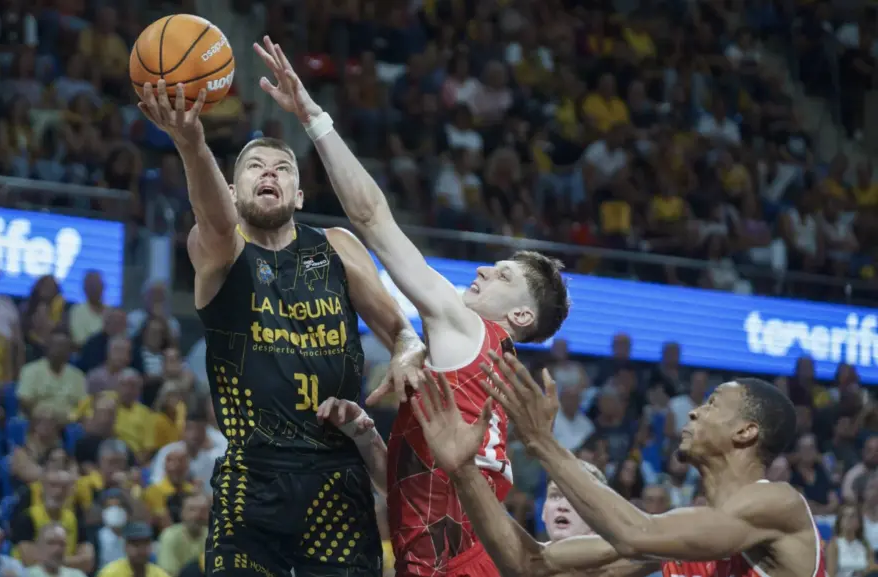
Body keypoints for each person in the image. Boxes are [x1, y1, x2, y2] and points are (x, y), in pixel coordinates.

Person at [253, 38, 570, 577]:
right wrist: (365, 435)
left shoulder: (467, 327)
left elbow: (374, 218)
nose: (482, 271)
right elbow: (417, 489)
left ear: (520, 316)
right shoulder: (495, 374)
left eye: (504, 275)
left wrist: (313, 118)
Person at [137, 43, 429, 577]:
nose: (268, 172)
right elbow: (218, 222)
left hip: (338, 477)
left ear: (297, 194)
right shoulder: (216, 248)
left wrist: (408, 350)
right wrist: (192, 142)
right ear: (230, 188)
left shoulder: (337, 245)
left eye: (282, 168)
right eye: (253, 166)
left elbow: (398, 329)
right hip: (254, 478)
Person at [411, 357, 823, 577]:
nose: (695, 412)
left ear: (746, 432)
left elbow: (636, 534)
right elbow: (530, 564)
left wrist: (542, 442)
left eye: (712, 403)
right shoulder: (680, 538)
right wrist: (464, 470)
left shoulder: (779, 504)